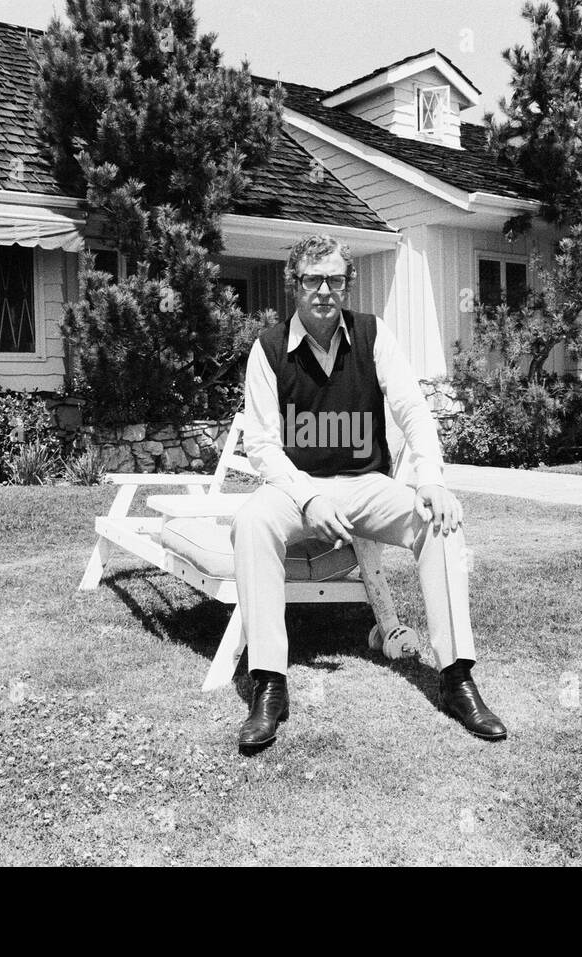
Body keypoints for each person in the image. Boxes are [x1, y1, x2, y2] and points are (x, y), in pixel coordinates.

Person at [230, 234, 508, 752]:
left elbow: (411, 410)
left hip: (368, 486)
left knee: (440, 521)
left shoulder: (374, 335)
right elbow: (263, 446)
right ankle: (269, 683)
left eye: (335, 279)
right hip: (300, 489)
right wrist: (310, 499)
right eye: (313, 279)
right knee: (251, 521)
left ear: (346, 285)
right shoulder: (268, 349)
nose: (324, 291)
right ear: (296, 285)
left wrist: (431, 481)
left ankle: (456, 678)